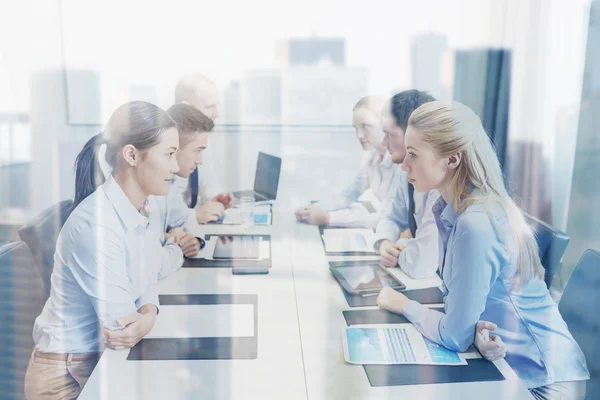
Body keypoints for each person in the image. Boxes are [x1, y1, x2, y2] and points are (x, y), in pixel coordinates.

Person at [377, 101, 589, 398]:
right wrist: (475, 330)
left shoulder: (475, 223)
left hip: (545, 385)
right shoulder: (453, 210)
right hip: (509, 368)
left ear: (452, 160)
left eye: (413, 154)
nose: (403, 164)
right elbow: (464, 314)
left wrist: (403, 305)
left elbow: (453, 335)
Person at [24, 101, 178, 399]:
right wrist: (146, 317)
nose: (176, 167)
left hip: (96, 362)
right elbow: (120, 329)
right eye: (170, 154)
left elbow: (148, 278)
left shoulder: (142, 208)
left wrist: (147, 313)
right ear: (132, 154)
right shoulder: (95, 225)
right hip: (65, 378)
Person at [295, 96, 401, 228]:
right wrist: (311, 209)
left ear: (384, 124)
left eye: (365, 126)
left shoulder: (400, 164)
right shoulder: (371, 158)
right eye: (356, 128)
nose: (359, 135)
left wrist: (327, 218)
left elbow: (385, 216)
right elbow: (349, 195)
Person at [373, 90, 440, 279]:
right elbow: (391, 218)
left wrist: (403, 244)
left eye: (389, 134)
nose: (384, 143)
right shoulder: (407, 173)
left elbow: (421, 265)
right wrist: (386, 243)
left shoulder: (441, 187)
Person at [174, 73, 233, 223]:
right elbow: (158, 214)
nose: (217, 114)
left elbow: (209, 186)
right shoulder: (162, 148)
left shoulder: (200, 142)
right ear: (186, 108)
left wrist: (216, 202)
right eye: (210, 106)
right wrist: (194, 216)